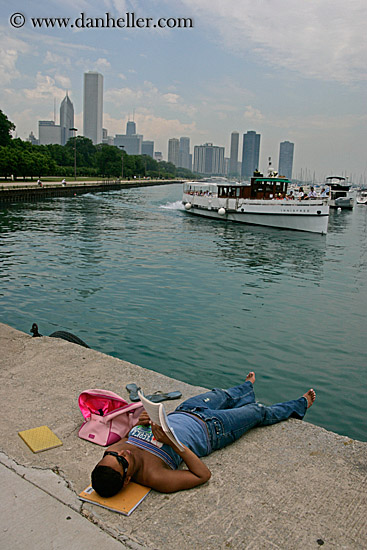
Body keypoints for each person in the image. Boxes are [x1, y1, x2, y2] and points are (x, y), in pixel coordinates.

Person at [91, 372, 316, 496]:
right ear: (127, 479)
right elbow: (202, 475)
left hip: (185, 412)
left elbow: (128, 437)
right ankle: (298, 406)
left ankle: (246, 388)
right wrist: (174, 444)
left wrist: (142, 423)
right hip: (213, 429)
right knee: (257, 411)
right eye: (123, 461)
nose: (124, 453)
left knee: (222, 395)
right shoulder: (154, 476)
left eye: (113, 455)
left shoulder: (113, 452)